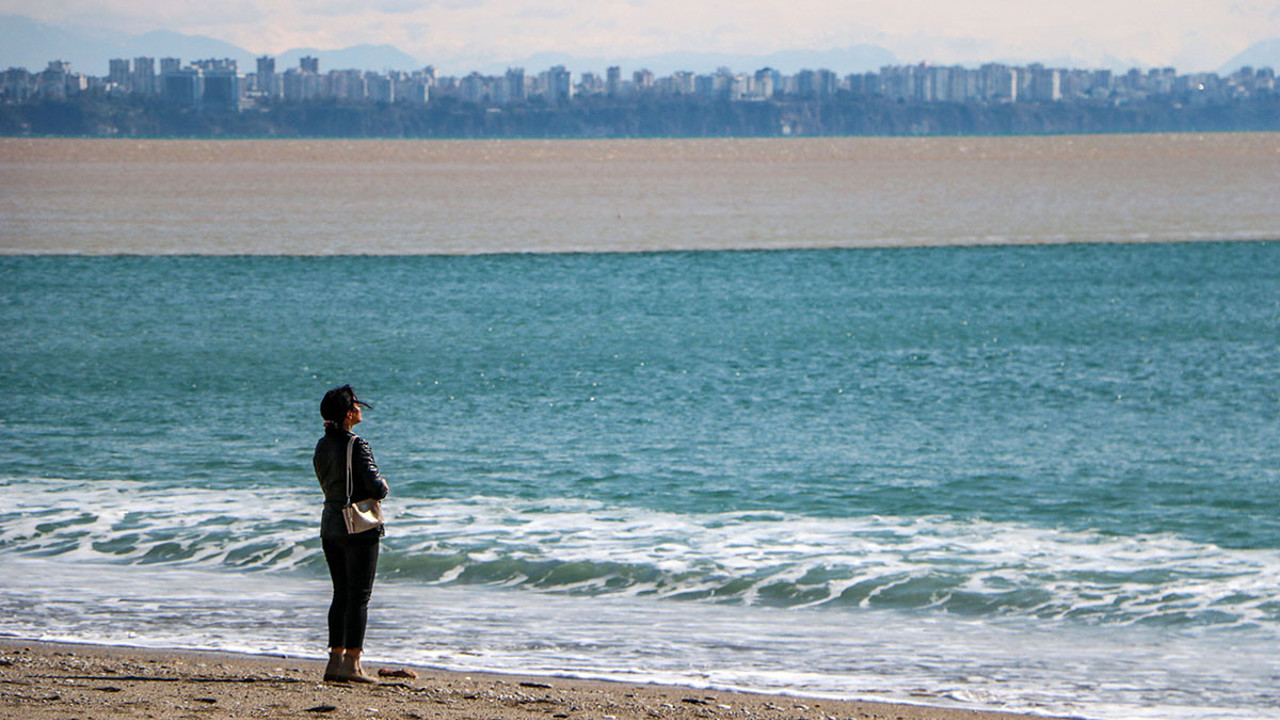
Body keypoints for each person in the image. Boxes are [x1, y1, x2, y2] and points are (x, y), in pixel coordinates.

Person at [314, 385, 389, 684]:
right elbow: (375, 486)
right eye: (356, 405)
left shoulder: (321, 445)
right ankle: (353, 664)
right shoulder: (357, 444)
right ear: (348, 414)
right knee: (360, 597)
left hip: (330, 524)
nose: (360, 409)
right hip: (357, 526)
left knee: (340, 594)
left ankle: (334, 660)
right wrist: (384, 485)